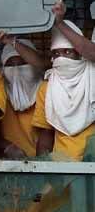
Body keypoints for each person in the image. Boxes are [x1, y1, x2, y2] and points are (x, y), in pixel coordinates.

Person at [32, 20, 95, 161]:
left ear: (80, 54)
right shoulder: (47, 88)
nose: (61, 58)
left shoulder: (92, 78)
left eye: (67, 51)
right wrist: (42, 170)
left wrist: (59, 22)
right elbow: (46, 135)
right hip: (63, 169)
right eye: (56, 53)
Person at [0, 40, 43, 159]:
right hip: (7, 163)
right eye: (10, 65)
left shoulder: (45, 90)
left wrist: (41, 163)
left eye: (23, 63)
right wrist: (8, 147)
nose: (17, 70)